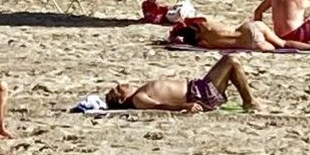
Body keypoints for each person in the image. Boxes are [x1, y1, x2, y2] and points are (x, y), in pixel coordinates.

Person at [105, 54, 258, 112]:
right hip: (199, 95)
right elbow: (159, 106)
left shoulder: (141, 91)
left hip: (199, 88)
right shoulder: (138, 98)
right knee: (230, 61)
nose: (121, 85)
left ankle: (248, 101)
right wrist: (183, 107)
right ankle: (249, 101)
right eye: (118, 90)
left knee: (230, 65)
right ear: (121, 99)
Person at [173, 18, 310, 53]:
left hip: (249, 42)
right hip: (249, 26)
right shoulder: (207, 25)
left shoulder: (202, 43)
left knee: (281, 46)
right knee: (281, 42)